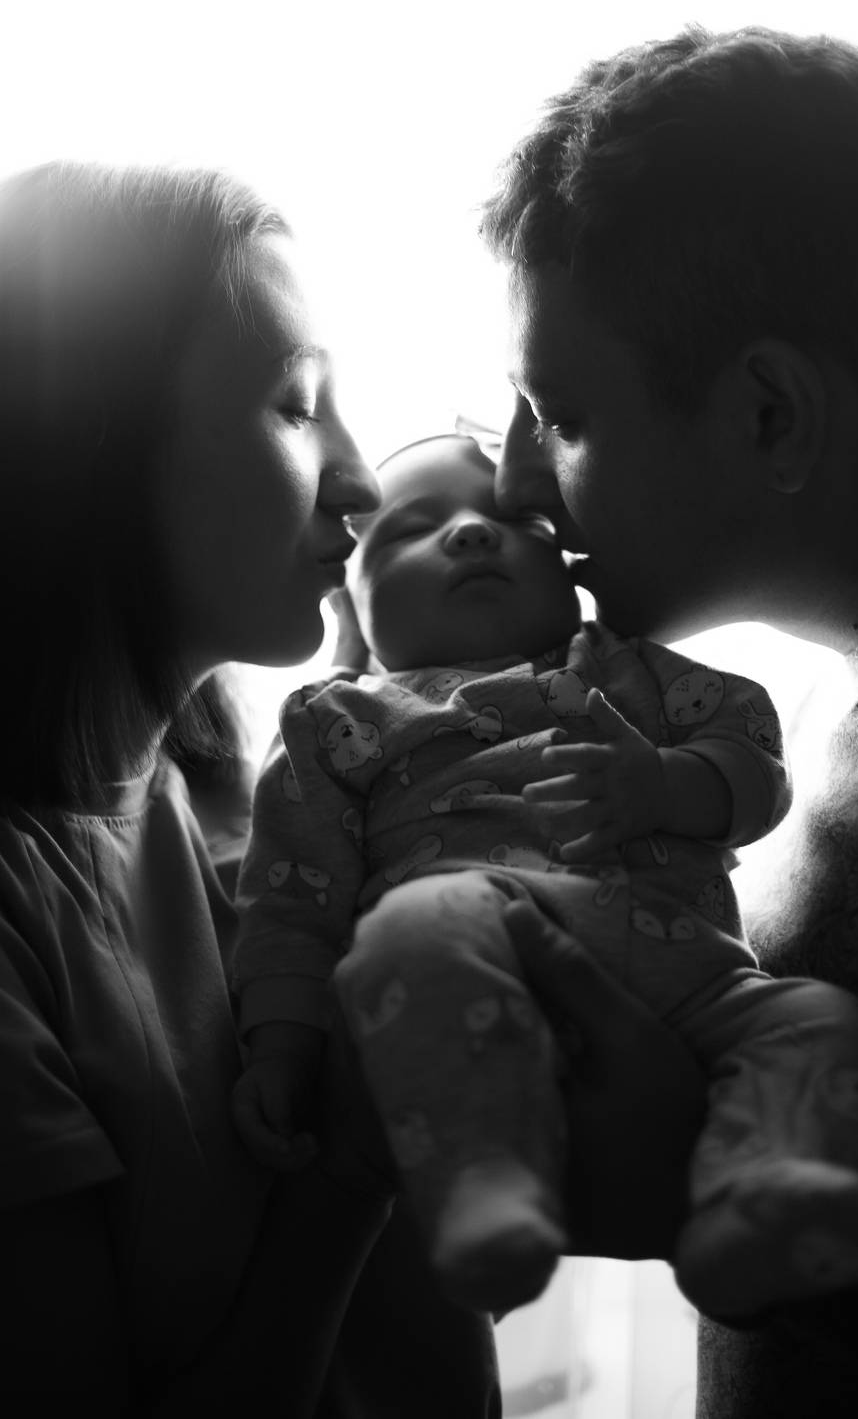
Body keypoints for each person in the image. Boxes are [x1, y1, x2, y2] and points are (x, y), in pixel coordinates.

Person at [479, 23, 858, 1416]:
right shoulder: (816, 708)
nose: (515, 484)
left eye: (560, 415)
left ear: (770, 413)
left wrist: (704, 1202)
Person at [0, 160, 501, 1417]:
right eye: (295, 406)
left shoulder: (266, 807)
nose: (363, 481)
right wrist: (349, 1167)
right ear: (94, 445)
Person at [232, 431, 858, 1321]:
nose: (473, 532)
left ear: (567, 572)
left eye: (515, 522)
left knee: (820, 1019)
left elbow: (757, 766)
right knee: (409, 929)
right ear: (352, 612)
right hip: (474, 947)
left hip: (681, 962)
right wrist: (281, 1047)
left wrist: (668, 783)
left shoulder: (628, 667)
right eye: (413, 529)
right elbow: (290, 901)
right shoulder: (338, 718)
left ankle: (758, 1190)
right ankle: (487, 1177)